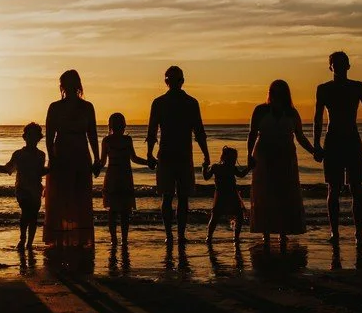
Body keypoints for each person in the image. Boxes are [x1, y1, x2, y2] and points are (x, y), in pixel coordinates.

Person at [314, 51, 362, 244]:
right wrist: (316, 144)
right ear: (330, 67)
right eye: (335, 63)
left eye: (342, 62)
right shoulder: (323, 89)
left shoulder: (357, 87)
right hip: (333, 140)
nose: (338, 65)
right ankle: (334, 233)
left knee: (356, 187)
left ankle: (358, 233)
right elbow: (318, 118)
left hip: (352, 140)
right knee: (333, 187)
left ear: (348, 65)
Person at [247, 79, 320, 246]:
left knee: (285, 194)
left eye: (280, 91)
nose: (277, 94)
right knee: (265, 194)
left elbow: (300, 136)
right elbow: (252, 134)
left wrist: (313, 151)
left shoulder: (292, 113)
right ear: (270, 92)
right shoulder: (260, 110)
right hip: (264, 155)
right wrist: (249, 156)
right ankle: (265, 232)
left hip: (286, 156)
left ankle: (282, 232)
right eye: (274, 90)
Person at [146, 65, 210, 246]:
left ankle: (177, 235)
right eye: (171, 79)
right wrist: (150, 154)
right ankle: (173, 235)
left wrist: (206, 155)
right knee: (173, 197)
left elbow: (199, 132)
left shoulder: (188, 103)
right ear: (167, 81)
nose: (174, 83)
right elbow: (152, 131)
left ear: (181, 81)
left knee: (178, 197)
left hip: (178, 155)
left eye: (176, 79)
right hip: (170, 155)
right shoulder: (164, 103)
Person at [44, 69, 100, 248]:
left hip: (80, 155)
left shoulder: (87, 107)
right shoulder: (55, 107)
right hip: (62, 155)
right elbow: (49, 136)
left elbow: (92, 134)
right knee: (62, 197)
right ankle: (61, 238)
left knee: (80, 197)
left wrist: (97, 158)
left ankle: (80, 238)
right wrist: (52, 159)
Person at [94, 112, 149, 249]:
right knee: (124, 211)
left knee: (113, 212)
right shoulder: (126, 140)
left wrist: (94, 169)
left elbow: (102, 162)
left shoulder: (107, 140)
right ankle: (123, 240)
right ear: (123, 125)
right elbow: (134, 159)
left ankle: (114, 240)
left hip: (113, 175)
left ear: (110, 125)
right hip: (124, 176)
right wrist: (148, 162)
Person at [0, 122, 46, 251]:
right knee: (26, 212)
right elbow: (7, 169)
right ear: (24, 137)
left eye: (35, 136)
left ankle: (29, 243)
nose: (32, 138)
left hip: (36, 188)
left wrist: (53, 169)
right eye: (29, 135)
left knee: (33, 216)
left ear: (39, 138)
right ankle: (23, 239)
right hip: (22, 188)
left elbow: (40, 171)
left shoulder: (41, 155)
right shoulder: (18, 154)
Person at [203, 145, 249, 246]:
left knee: (217, 216)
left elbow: (206, 177)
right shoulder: (228, 167)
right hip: (229, 194)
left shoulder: (217, 167)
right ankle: (234, 237)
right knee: (236, 215)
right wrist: (249, 168)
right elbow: (241, 175)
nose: (233, 160)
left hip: (224, 194)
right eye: (232, 158)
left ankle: (210, 237)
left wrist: (205, 167)